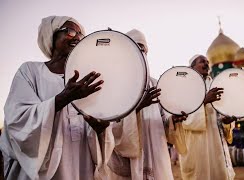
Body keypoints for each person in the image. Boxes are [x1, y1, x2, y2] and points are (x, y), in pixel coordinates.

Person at [0, 16, 114, 180]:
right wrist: (63, 98)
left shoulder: (86, 78)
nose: (77, 37)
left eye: (80, 34)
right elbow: (17, 119)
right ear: (51, 36)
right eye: (70, 31)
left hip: (82, 165)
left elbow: (98, 122)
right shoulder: (30, 71)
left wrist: (101, 128)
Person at [105, 29, 187, 180]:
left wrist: (172, 121)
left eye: (143, 49)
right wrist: (138, 108)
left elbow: (164, 121)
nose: (140, 52)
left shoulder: (156, 84)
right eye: (136, 47)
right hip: (129, 158)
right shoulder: (116, 86)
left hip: (157, 151)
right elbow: (111, 127)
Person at [168, 54, 236, 180]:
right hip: (196, 145)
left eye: (207, 62)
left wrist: (227, 121)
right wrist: (204, 101)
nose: (206, 64)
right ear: (192, 67)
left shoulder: (215, 85)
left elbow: (220, 113)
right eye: (202, 61)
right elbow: (182, 119)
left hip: (217, 143)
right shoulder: (184, 88)